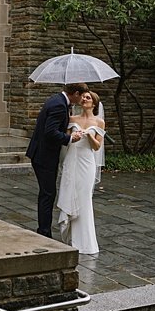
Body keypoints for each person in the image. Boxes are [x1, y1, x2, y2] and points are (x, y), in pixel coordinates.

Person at [25, 82, 86, 239]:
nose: (82, 100)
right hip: (44, 156)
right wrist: (70, 138)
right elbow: (50, 132)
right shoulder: (59, 105)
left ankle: (43, 229)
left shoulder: (57, 100)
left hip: (41, 154)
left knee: (47, 193)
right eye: (82, 96)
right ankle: (44, 232)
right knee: (48, 194)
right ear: (76, 93)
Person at [56, 89, 105, 255]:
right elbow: (66, 139)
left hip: (87, 163)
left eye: (88, 97)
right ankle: (70, 238)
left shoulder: (99, 123)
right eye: (83, 96)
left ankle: (85, 243)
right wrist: (73, 136)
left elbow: (97, 146)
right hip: (72, 160)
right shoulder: (72, 118)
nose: (84, 98)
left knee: (84, 199)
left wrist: (89, 136)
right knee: (70, 194)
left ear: (94, 103)